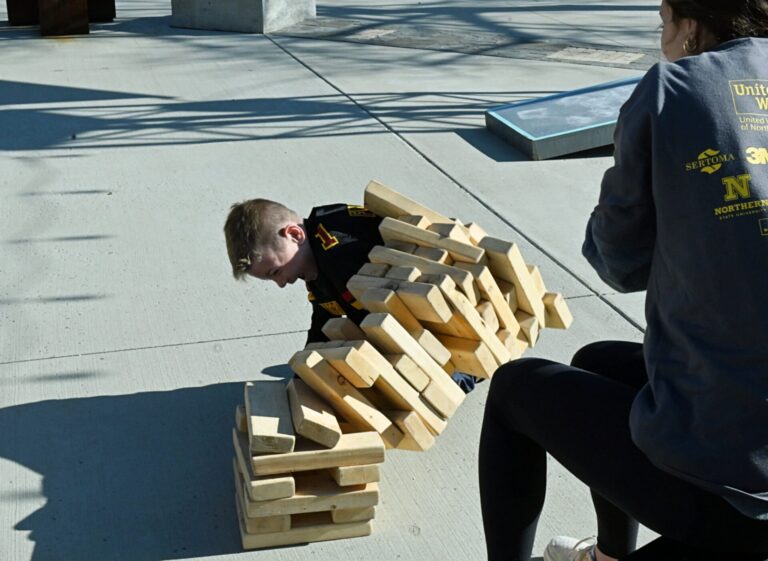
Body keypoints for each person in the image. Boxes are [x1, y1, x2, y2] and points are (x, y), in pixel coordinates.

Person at [478, 1, 768, 560]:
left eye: (662, 22)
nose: (662, 37)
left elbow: (619, 262)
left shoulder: (670, 90)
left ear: (690, 26)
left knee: (514, 389)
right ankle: (608, 553)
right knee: (596, 362)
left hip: (740, 492)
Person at [223, 198, 478, 392]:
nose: (280, 283)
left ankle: (463, 373)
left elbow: (395, 321)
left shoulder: (343, 255)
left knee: (400, 384)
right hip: (402, 309)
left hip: (450, 311)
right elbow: (324, 316)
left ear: (294, 235)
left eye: (276, 271)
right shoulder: (318, 256)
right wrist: (304, 373)